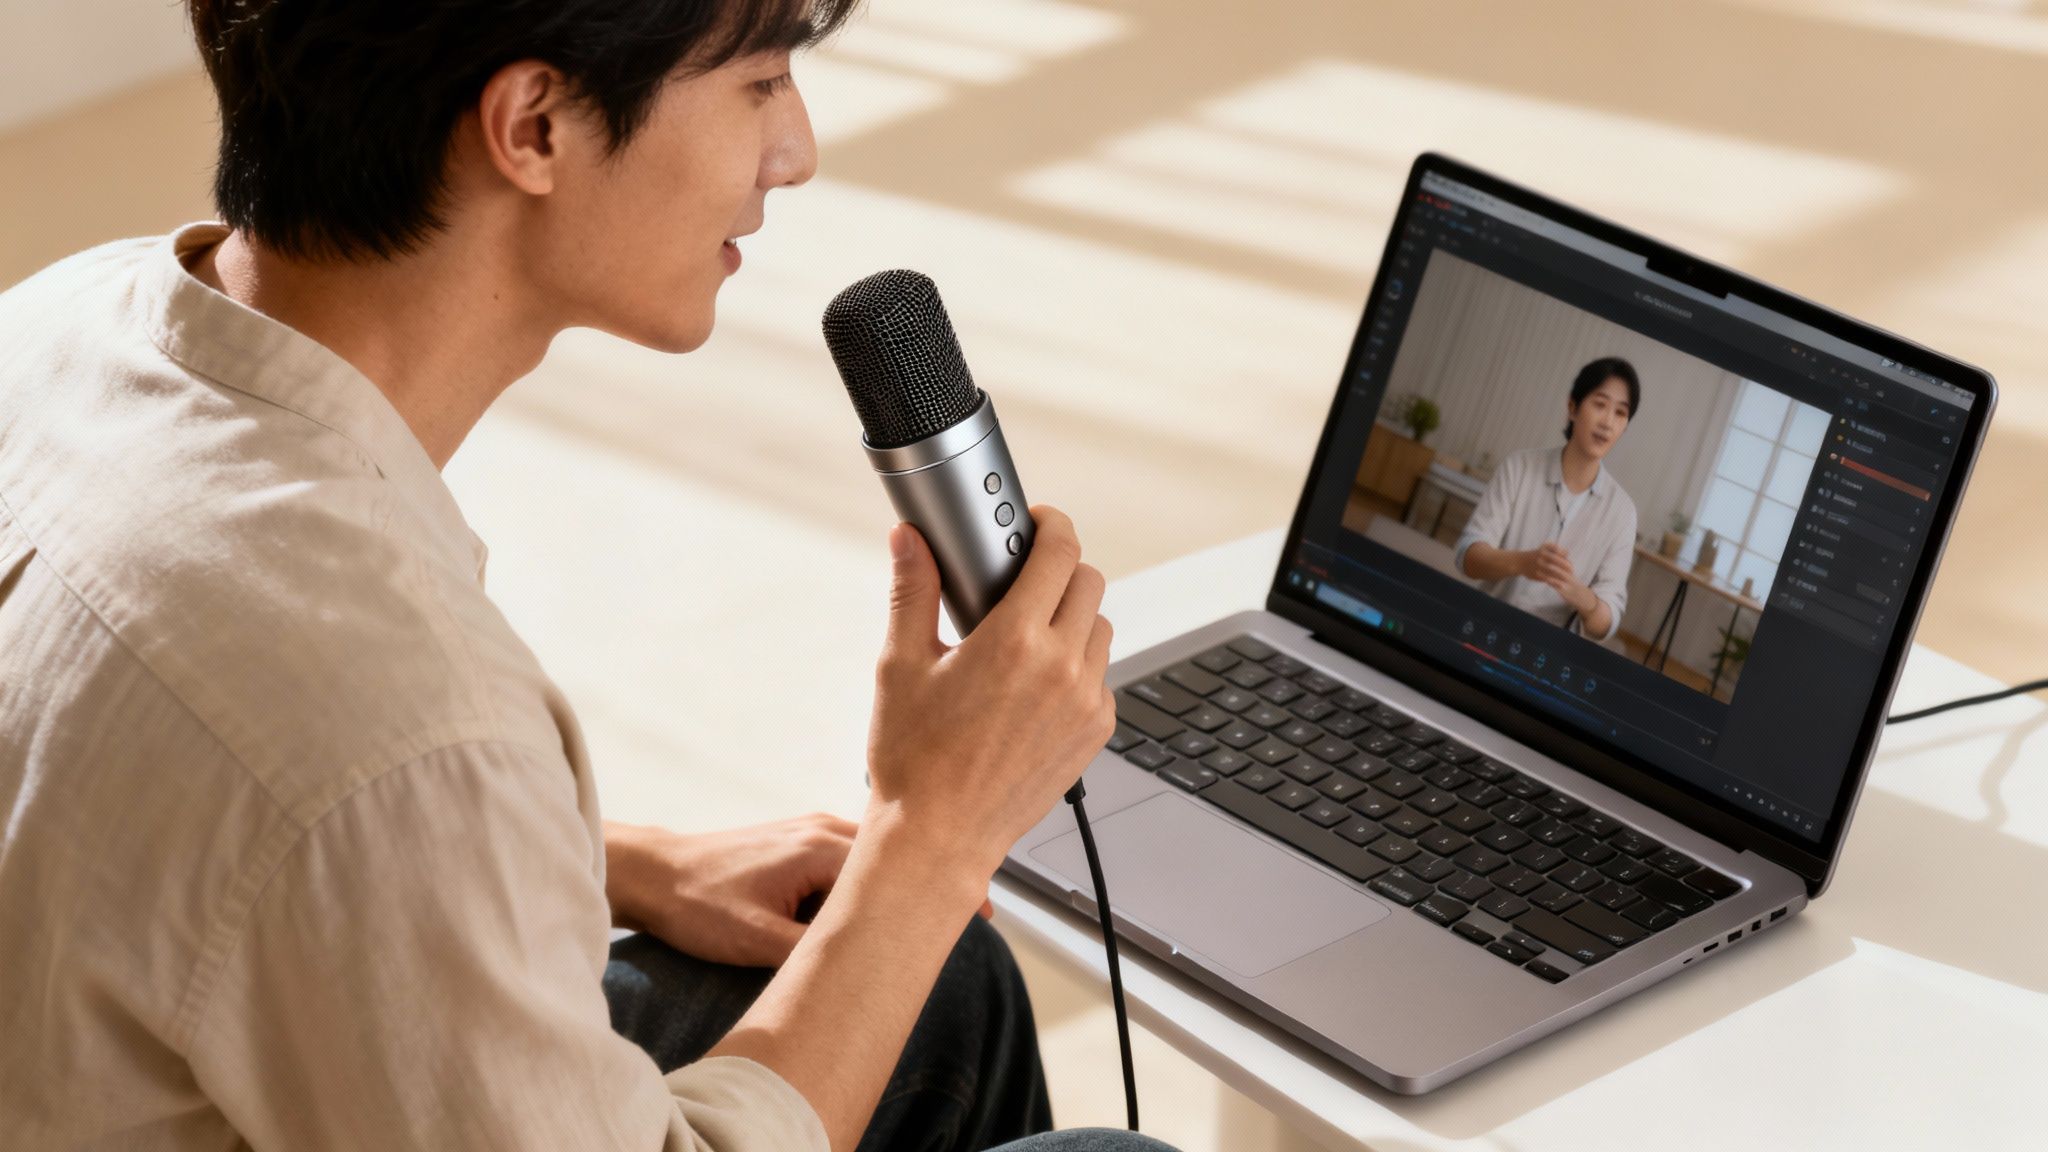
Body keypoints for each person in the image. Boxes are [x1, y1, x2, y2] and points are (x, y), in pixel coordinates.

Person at [0, 3, 1176, 1152]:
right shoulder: (391, 718)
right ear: (533, 127)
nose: (796, 150)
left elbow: (211, 814)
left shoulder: (60, 325)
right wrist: (932, 832)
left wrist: (611, 860)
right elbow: (358, 778)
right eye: (760, 82)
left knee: (936, 981)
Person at [1454, 357, 1642, 642]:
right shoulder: (1519, 466)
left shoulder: (1622, 512)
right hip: (1486, 626)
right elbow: (1466, 555)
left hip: (1549, 651)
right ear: (1572, 407)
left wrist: (1586, 600)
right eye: (1599, 404)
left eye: (1619, 413)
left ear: (1625, 426)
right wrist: (1523, 563)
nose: (1607, 422)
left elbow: (1606, 622)